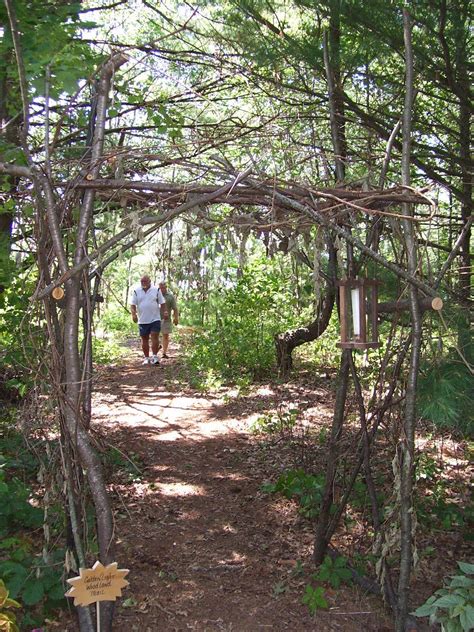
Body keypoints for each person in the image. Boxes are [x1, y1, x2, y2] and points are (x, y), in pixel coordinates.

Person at [130, 275, 168, 365]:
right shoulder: (136, 291)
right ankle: (146, 358)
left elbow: (162, 303)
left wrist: (165, 312)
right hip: (142, 319)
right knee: (144, 338)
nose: (143, 283)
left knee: (155, 336)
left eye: (145, 281)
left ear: (149, 281)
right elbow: (133, 304)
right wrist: (133, 314)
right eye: (142, 282)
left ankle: (155, 357)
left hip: (155, 318)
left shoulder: (156, 290)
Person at [158, 281, 179, 359]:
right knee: (154, 335)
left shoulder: (170, 296)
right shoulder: (156, 295)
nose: (163, 289)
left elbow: (175, 308)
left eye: (164, 287)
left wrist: (176, 318)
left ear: (166, 287)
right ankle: (157, 346)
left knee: (165, 335)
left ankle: (164, 352)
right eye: (161, 288)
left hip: (166, 319)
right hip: (155, 318)